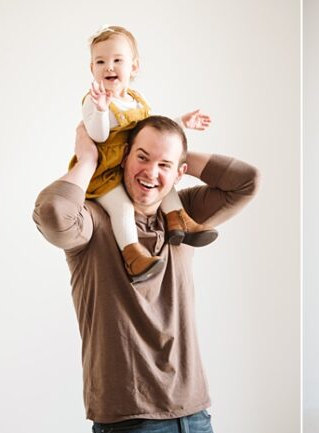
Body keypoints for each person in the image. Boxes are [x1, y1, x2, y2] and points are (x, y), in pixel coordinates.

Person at [34, 116, 260, 433]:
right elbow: (52, 213)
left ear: (179, 172)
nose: (151, 172)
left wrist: (174, 151)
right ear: (123, 157)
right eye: (142, 157)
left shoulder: (184, 217)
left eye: (164, 165)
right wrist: (90, 160)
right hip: (130, 423)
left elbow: (246, 182)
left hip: (197, 418)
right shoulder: (92, 222)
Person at [73, 25, 216, 283]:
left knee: (167, 184)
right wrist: (102, 110)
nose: (109, 67)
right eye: (101, 61)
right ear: (92, 68)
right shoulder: (93, 99)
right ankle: (133, 255)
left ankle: (178, 221)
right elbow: (98, 135)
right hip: (107, 174)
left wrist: (180, 122)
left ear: (134, 68)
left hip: (133, 166)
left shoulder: (136, 100)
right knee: (123, 208)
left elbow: (150, 132)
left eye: (117, 60)